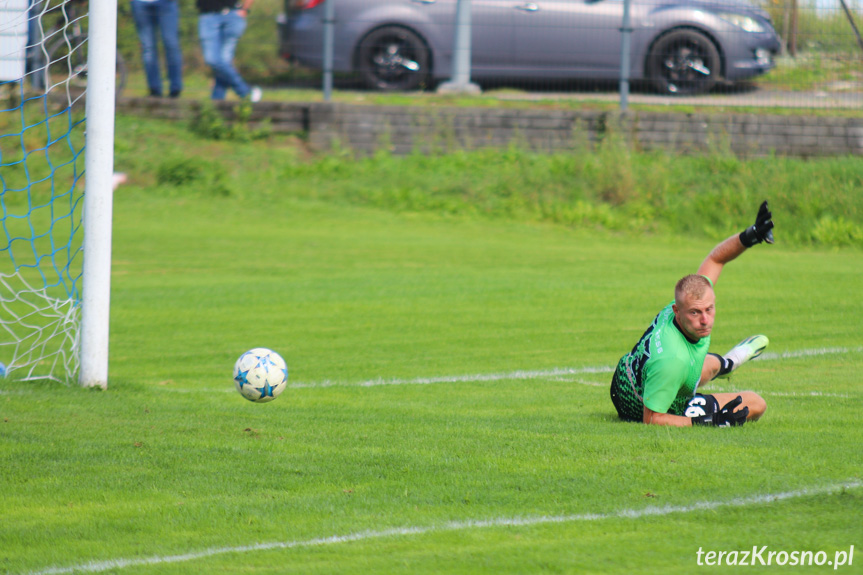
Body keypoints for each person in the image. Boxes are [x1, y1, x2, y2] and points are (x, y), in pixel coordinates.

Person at [610, 201, 775, 427]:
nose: (705, 320)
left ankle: (728, 363)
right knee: (756, 404)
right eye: (696, 313)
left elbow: (716, 259)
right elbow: (651, 419)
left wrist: (751, 235)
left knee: (709, 366)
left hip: (627, 376)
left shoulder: (685, 300)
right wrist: (709, 421)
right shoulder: (671, 360)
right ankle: (729, 362)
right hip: (639, 405)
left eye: (709, 309)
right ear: (677, 311)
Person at [195, 0, 261, 102]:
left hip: (232, 14)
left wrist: (245, 9)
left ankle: (217, 101)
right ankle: (245, 91)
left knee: (224, 61)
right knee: (213, 59)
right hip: (207, 14)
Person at [130, 0, 183, 98]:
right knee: (148, 47)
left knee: (171, 44)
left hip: (167, 3)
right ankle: (154, 89)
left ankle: (175, 88)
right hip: (140, 3)